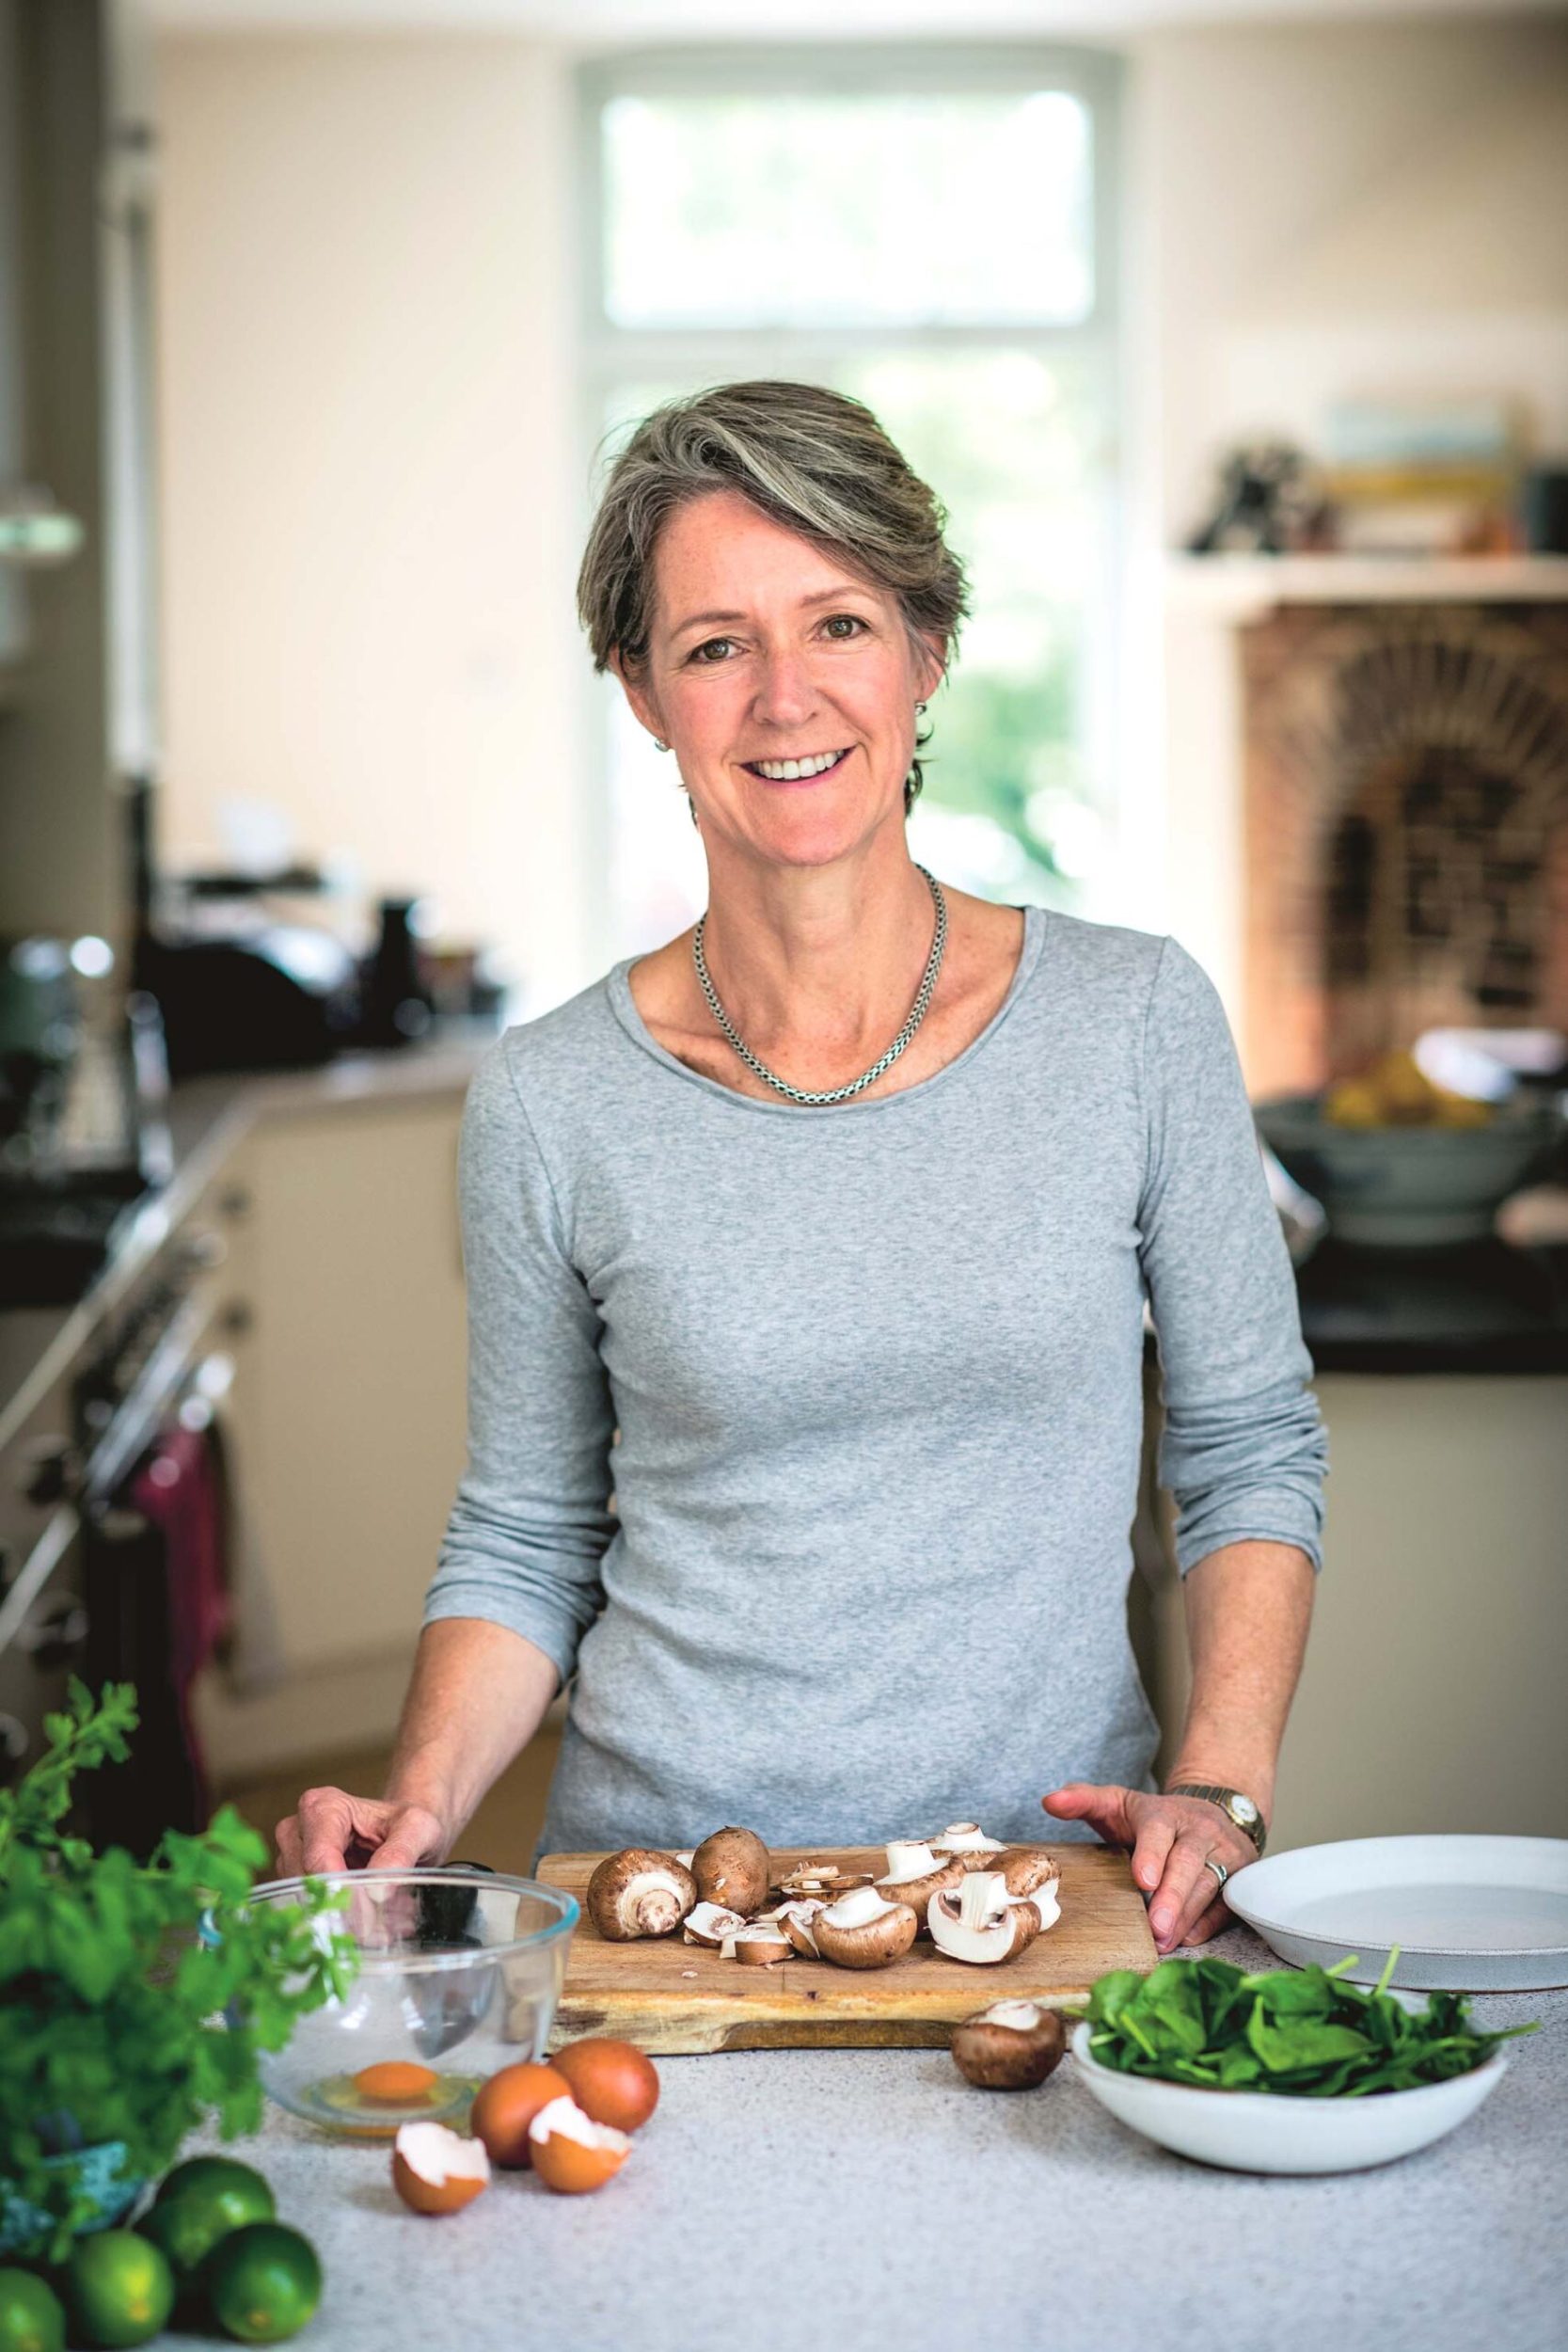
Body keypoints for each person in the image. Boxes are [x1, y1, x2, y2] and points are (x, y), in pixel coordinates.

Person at [276, 380, 1328, 1957]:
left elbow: (1247, 1445)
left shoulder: (1135, 1020)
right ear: (643, 690)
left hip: (1050, 1893)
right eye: (714, 645)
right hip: (665, 1908)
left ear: (927, 651)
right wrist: (418, 1802)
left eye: (837, 624)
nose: (784, 697)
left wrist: (1224, 1787)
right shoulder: (551, 1100)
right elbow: (528, 1527)